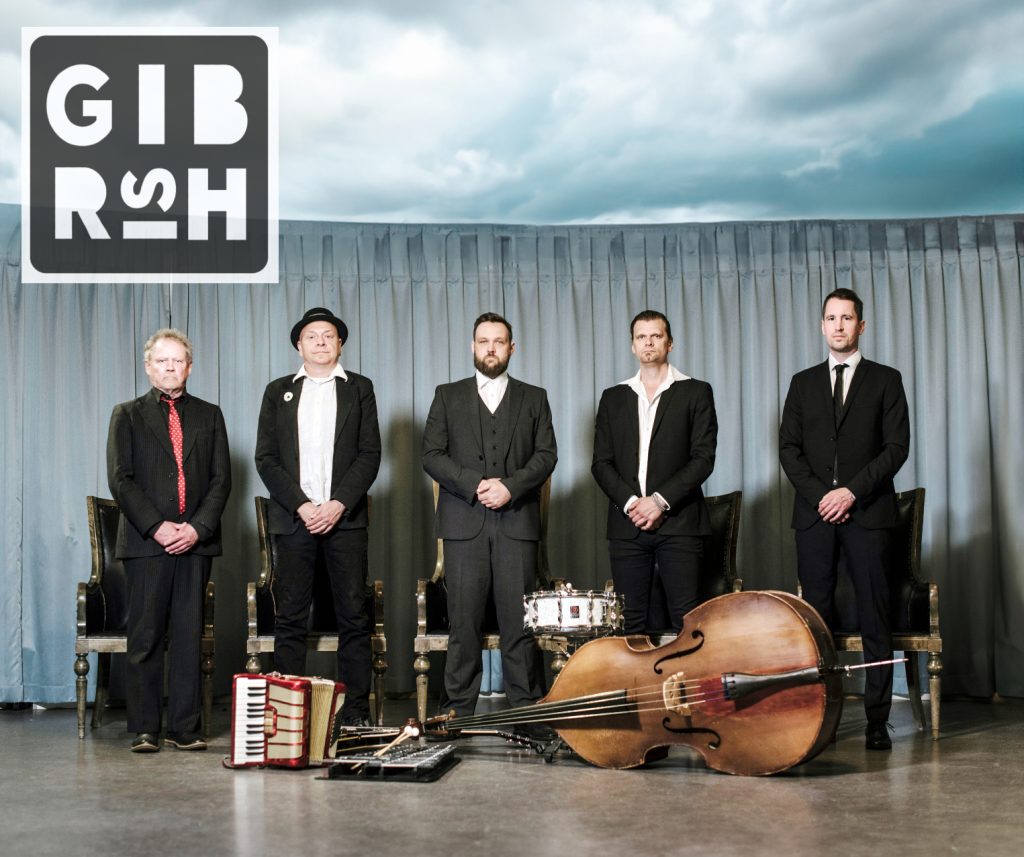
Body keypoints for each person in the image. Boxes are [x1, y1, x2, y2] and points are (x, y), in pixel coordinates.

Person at [779, 288, 910, 751]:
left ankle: (877, 719)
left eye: (847, 318)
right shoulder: (802, 383)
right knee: (816, 621)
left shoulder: (887, 380)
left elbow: (896, 448)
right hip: (815, 516)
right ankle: (822, 718)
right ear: (822, 326)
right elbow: (788, 449)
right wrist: (824, 497)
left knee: (876, 616)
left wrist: (851, 492)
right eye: (831, 318)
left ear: (861, 326)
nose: (838, 325)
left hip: (868, 514)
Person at [422, 312, 556, 718]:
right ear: (473, 347)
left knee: (519, 624)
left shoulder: (534, 397)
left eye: (499, 341)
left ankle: (527, 710)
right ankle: (457, 713)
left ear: (512, 348)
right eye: (484, 341)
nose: (491, 348)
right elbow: (432, 455)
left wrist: (510, 487)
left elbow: (546, 455)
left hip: (517, 523)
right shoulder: (447, 395)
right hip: (464, 523)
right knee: (463, 624)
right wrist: (476, 483)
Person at [255, 307, 381, 726]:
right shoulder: (277, 391)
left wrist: (338, 503)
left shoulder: (360, 388)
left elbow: (370, 454)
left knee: (354, 617)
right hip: (295, 520)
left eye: (329, 335)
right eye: (312, 336)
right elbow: (266, 458)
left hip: (345, 519)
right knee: (290, 616)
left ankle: (355, 712)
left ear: (340, 344)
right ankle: (290, 715)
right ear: (299, 345)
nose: (321, 342)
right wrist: (303, 506)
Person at [107, 329, 231, 753]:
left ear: (189, 367)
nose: (170, 367)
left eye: (178, 360)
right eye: (162, 361)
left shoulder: (210, 415)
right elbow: (121, 480)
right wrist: (156, 526)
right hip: (147, 543)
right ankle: (145, 727)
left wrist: (197, 527)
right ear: (148, 367)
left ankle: (185, 727)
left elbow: (221, 480)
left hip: (196, 541)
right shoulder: (127, 414)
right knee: (145, 635)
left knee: (188, 635)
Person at [592, 310, 718, 635]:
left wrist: (659, 502)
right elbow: (601, 463)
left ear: (669, 343)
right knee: (630, 625)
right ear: (633, 346)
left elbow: (703, 459)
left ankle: (685, 676)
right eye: (641, 337)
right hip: (627, 525)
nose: (648, 342)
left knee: (687, 623)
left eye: (656, 336)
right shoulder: (613, 398)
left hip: (681, 525)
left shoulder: (696, 392)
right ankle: (638, 676)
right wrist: (633, 504)